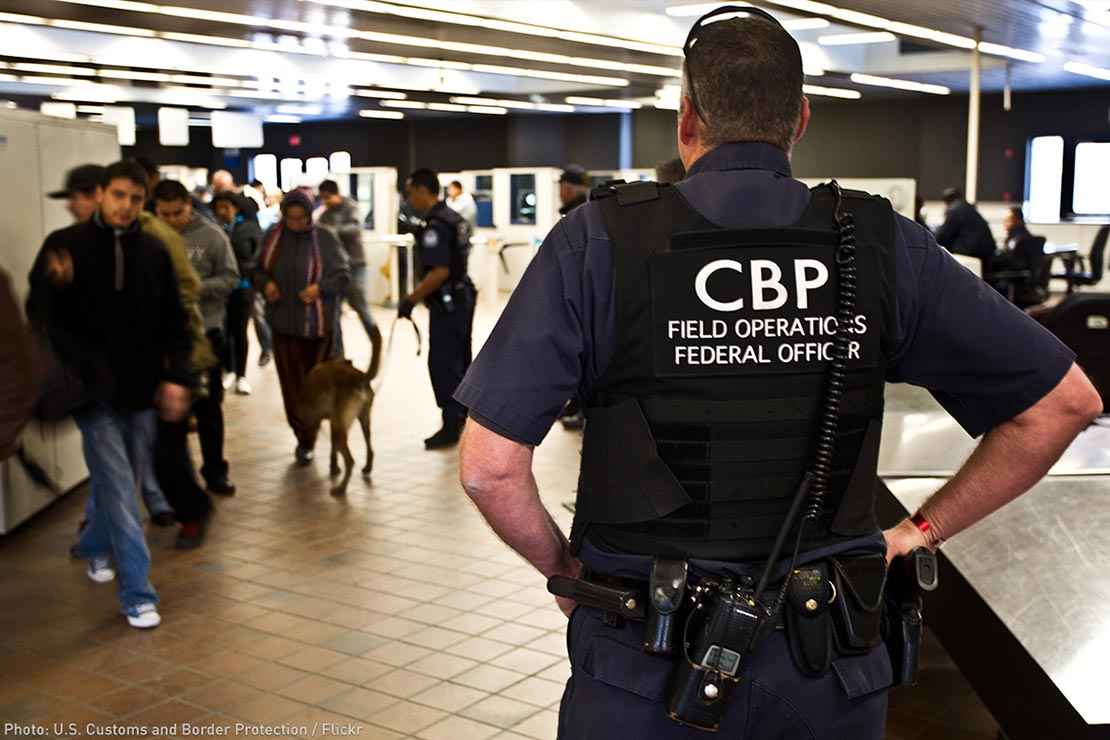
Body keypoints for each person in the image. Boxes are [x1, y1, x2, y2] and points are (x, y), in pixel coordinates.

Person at [454, 8, 1102, 739]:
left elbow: (488, 468)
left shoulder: (597, 241)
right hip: (826, 664)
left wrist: (566, 571)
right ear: (799, 118)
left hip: (643, 659)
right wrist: (922, 530)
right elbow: (1063, 405)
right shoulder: (880, 241)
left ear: (686, 118)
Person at [28, 160, 196, 629]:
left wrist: (178, 376)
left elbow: (174, 321)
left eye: (136, 199)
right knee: (123, 489)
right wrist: (50, 282)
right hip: (90, 394)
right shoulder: (64, 247)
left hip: (141, 392)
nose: (126, 206)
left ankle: (94, 545)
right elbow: (37, 313)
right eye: (119, 195)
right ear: (101, 194)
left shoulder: (154, 252)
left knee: (116, 480)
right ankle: (138, 594)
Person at [154, 180, 239, 500]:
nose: (173, 220)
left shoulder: (212, 236)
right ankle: (174, 485)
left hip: (206, 335)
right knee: (168, 416)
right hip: (164, 340)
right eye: (166, 214)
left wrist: (196, 288)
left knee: (208, 410)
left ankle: (215, 472)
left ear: (189, 206)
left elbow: (231, 277)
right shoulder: (149, 235)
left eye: (178, 213)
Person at [254, 189, 350, 465]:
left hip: (318, 329)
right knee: (292, 388)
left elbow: (343, 275)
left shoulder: (324, 238)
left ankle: (315, 435)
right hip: (283, 326)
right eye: (291, 218)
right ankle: (302, 438)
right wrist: (266, 284)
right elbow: (257, 269)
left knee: (316, 388)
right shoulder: (274, 236)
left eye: (301, 218)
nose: (296, 224)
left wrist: (319, 288)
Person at [400, 168, 476, 450]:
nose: (410, 200)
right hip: (462, 297)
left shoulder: (435, 225)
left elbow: (439, 271)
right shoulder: (453, 217)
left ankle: (450, 423)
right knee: (460, 358)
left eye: (411, 193)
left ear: (422, 190)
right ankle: (461, 416)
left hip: (448, 302)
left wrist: (410, 299)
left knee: (444, 362)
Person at [317, 179, 381, 357]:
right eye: (322, 198)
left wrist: (333, 230)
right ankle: (338, 355)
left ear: (337, 194)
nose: (325, 201)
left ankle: (376, 343)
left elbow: (355, 228)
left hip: (355, 266)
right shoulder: (325, 214)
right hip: (336, 269)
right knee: (334, 313)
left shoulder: (350, 206)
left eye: (328, 197)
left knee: (360, 305)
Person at [212, 191, 266, 391]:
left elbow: (257, 256)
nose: (223, 211)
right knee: (223, 332)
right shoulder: (214, 228)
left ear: (236, 207)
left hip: (243, 288)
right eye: (220, 207)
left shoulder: (249, 228)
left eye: (227, 207)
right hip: (220, 291)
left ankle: (242, 375)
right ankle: (229, 370)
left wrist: (246, 273)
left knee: (240, 331)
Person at [936, 186, 996, 273]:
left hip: (971, 256)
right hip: (985, 256)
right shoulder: (969, 208)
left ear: (946, 200)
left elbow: (943, 236)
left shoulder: (954, 210)